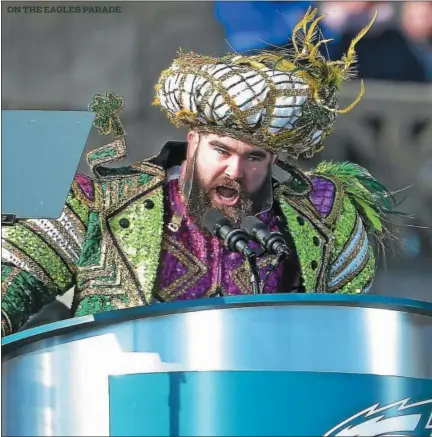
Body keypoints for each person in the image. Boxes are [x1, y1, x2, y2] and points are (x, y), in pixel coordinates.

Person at [1, 8, 399, 336]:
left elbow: (354, 339)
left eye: (255, 158)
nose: (235, 170)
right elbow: (9, 292)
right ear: (193, 141)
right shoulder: (99, 203)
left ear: (275, 161)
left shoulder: (321, 218)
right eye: (220, 150)